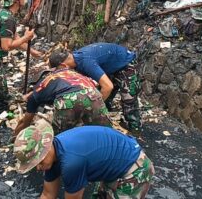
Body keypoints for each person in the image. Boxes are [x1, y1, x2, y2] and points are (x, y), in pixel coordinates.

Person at [14, 122, 154, 199]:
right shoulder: (52, 155)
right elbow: (48, 194)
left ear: (46, 148)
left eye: (38, 162)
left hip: (135, 169)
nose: (38, 168)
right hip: (113, 163)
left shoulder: (71, 163)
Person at [48, 43, 141, 130]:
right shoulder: (75, 59)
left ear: (63, 65)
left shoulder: (86, 61)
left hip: (126, 64)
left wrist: (95, 107)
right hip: (111, 66)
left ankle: (135, 130)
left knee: (128, 100)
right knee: (100, 94)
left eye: (58, 70)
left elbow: (108, 87)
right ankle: (105, 117)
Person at [13, 68, 111, 137]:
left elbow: (25, 122)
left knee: (61, 138)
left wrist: (16, 137)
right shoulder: (68, 72)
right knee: (105, 131)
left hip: (68, 98)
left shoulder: (37, 91)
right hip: (92, 92)